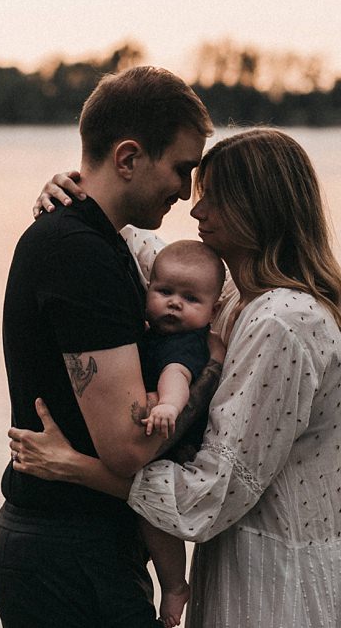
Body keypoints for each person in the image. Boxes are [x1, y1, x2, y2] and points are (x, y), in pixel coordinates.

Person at [11, 128, 341, 627]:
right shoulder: (238, 299)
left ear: (257, 208)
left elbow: (211, 494)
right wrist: (73, 192)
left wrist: (78, 467)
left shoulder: (283, 321)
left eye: (213, 198)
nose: (194, 209)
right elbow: (149, 249)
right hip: (260, 571)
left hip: (279, 589)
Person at [0, 65, 223, 628]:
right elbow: (129, 449)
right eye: (181, 168)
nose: (186, 192)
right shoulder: (80, 254)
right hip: (67, 553)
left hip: (73, 547)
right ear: (129, 158)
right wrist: (208, 371)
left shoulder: (97, 242)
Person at [135, 239, 227, 627]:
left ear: (212, 311)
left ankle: (174, 584)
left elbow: (178, 376)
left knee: (153, 517)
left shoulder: (185, 344)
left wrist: (168, 406)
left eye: (191, 299)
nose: (174, 303)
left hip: (178, 444)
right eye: (165, 292)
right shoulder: (155, 333)